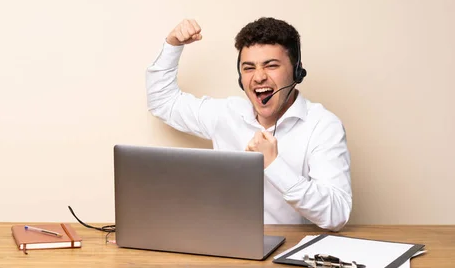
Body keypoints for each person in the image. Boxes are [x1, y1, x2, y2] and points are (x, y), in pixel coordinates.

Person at [145, 17, 352, 231]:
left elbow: (336, 215)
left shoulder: (323, 126)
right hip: (224, 245)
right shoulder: (226, 114)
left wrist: (273, 165)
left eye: (271, 66)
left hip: (287, 251)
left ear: (297, 72)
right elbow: (163, 102)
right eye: (249, 67)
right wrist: (173, 44)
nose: (259, 77)